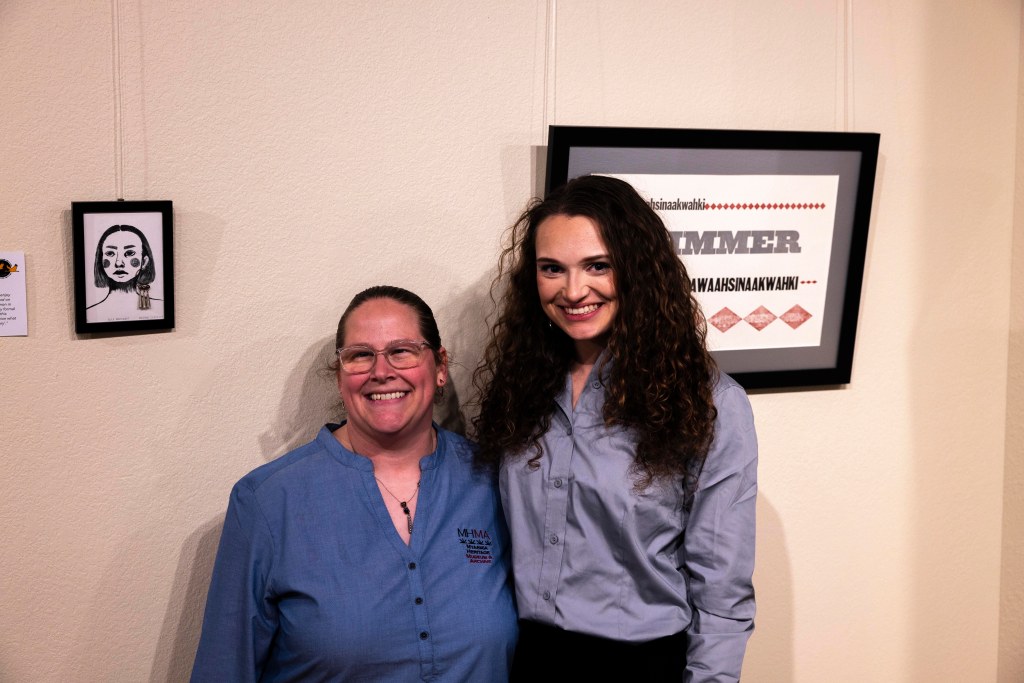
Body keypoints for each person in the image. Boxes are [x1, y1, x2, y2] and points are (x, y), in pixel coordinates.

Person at [473, 175, 757, 682]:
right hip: (527, 660)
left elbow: (721, 585)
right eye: (551, 269)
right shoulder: (520, 385)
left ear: (638, 270)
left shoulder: (711, 402)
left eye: (598, 266)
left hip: (639, 665)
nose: (573, 290)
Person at [192, 286, 517, 681]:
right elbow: (224, 669)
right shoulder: (267, 502)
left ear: (440, 365)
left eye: (402, 350)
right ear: (339, 374)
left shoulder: (493, 480)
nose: (381, 372)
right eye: (360, 355)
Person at [86, 224, 163, 321]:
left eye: (130, 253)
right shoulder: (90, 314)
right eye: (110, 253)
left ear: (144, 262)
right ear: (100, 261)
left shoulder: (161, 307)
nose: (119, 263)